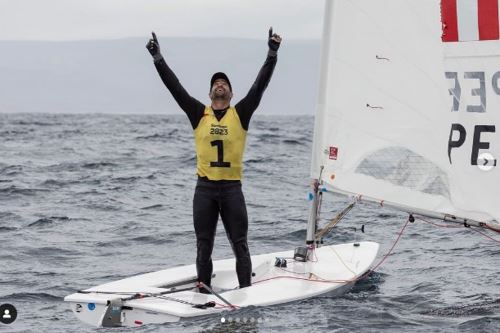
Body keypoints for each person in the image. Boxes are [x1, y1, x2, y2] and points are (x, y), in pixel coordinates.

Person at [146, 28, 281, 292]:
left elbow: (260, 85)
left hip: (232, 189)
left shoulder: (241, 113)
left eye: (225, 83)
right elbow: (175, 88)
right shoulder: (199, 113)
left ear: (231, 93)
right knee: (203, 245)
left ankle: (246, 293)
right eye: (215, 83)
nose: (220, 84)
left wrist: (272, 53)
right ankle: (203, 291)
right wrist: (158, 58)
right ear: (210, 94)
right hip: (205, 189)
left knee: (240, 244)